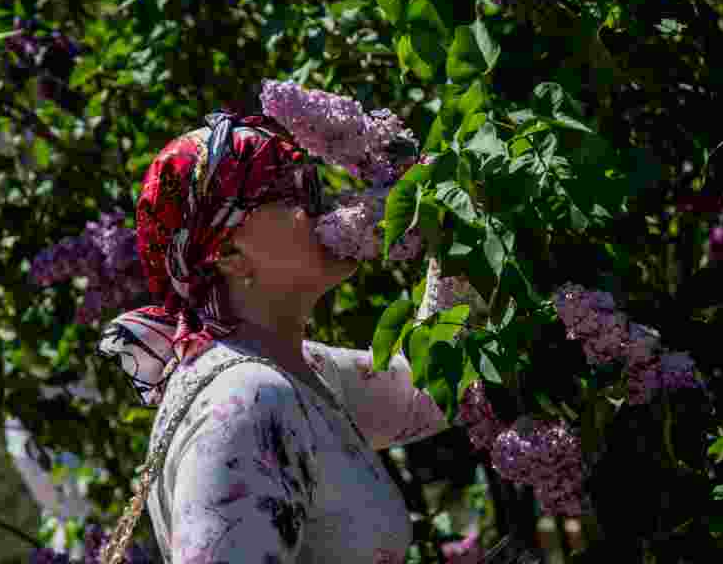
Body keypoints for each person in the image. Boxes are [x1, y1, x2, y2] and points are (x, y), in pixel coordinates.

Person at [92, 111, 459, 564]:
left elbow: (432, 388)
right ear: (227, 253)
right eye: (296, 192)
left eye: (314, 182)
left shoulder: (299, 371)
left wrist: (455, 223)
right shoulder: (247, 402)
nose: (324, 204)